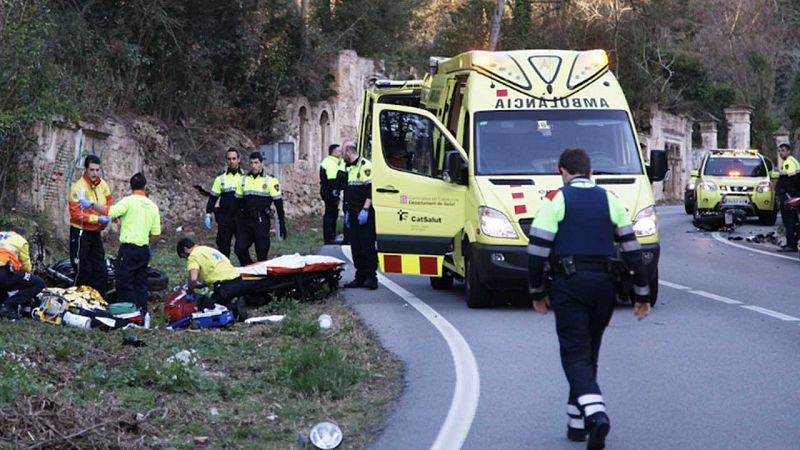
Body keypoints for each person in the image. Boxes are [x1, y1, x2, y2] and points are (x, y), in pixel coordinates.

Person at [527, 148, 650, 449]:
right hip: (605, 287)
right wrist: (642, 294)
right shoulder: (610, 199)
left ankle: (595, 415)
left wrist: (537, 291)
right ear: (590, 171)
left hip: (569, 285)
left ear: (562, 171)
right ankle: (576, 423)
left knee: (574, 352)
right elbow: (633, 250)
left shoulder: (557, 199)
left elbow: (537, 250)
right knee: (589, 351)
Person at [88, 173, 161, 316]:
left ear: (131, 186)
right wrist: (151, 248)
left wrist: (92, 205)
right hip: (143, 249)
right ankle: (142, 313)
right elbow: (156, 233)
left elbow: (109, 212)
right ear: (145, 187)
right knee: (140, 283)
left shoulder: (128, 201)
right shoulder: (152, 206)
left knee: (124, 282)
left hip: (129, 249)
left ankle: (129, 314)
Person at [68, 154, 112, 297]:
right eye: (92, 170)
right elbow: (76, 215)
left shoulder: (103, 185)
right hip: (81, 232)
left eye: (97, 170)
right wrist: (97, 219)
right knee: (83, 268)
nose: (95, 173)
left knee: (100, 267)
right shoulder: (78, 188)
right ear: (86, 169)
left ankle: (99, 298)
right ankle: (80, 298)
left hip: (95, 233)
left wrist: (107, 215)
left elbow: (108, 203)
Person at [176, 237, 249, 320]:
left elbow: (193, 279)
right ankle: (238, 300)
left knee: (210, 307)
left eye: (184, 256)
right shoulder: (207, 249)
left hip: (224, 285)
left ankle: (234, 308)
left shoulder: (193, 256)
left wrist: (190, 290)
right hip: (238, 280)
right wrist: (204, 284)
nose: (186, 259)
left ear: (185, 249)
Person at [234, 151, 287, 265]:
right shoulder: (243, 180)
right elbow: (237, 203)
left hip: (261, 221)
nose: (253, 166)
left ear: (261, 163)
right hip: (246, 221)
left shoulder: (270, 181)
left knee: (261, 253)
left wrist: (282, 223)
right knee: (239, 249)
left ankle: (263, 277)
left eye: (256, 163)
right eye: (251, 163)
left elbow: (278, 204)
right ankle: (251, 269)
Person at [342, 142, 378, 290]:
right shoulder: (350, 168)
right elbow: (348, 191)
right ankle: (360, 276)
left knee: (367, 245)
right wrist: (347, 212)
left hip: (364, 213)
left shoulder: (365, 166)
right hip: (352, 211)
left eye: (343, 152)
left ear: (348, 152)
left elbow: (370, 189)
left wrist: (365, 209)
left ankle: (371, 277)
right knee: (355, 247)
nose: (342, 155)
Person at [205, 147, 244, 258]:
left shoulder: (245, 177)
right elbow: (213, 197)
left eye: (234, 158)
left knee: (241, 248)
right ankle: (225, 272)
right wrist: (208, 213)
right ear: (226, 160)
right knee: (223, 247)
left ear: (238, 159)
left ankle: (244, 272)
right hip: (225, 217)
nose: (231, 161)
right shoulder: (220, 179)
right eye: (229, 159)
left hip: (240, 217)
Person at [0, 227, 45, 320]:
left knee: (4, 287)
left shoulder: (2, 234)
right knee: (38, 283)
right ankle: (9, 305)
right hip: (3, 272)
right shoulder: (21, 240)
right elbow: (26, 266)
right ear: (22, 235)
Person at [775, 143, 800, 252]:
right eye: (779, 151)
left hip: (789, 196)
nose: (781, 153)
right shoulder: (791, 161)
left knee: (789, 220)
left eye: (783, 150)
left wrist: (785, 192)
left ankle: (791, 245)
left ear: (789, 151)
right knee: (793, 220)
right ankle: (792, 243)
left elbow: (792, 180)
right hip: (791, 196)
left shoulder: (789, 163)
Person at [320, 144, 347, 244]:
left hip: (328, 190)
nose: (341, 153)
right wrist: (335, 194)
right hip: (329, 191)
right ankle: (329, 237)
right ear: (334, 152)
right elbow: (332, 180)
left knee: (332, 214)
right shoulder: (330, 163)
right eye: (339, 151)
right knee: (330, 214)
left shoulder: (334, 162)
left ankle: (331, 236)